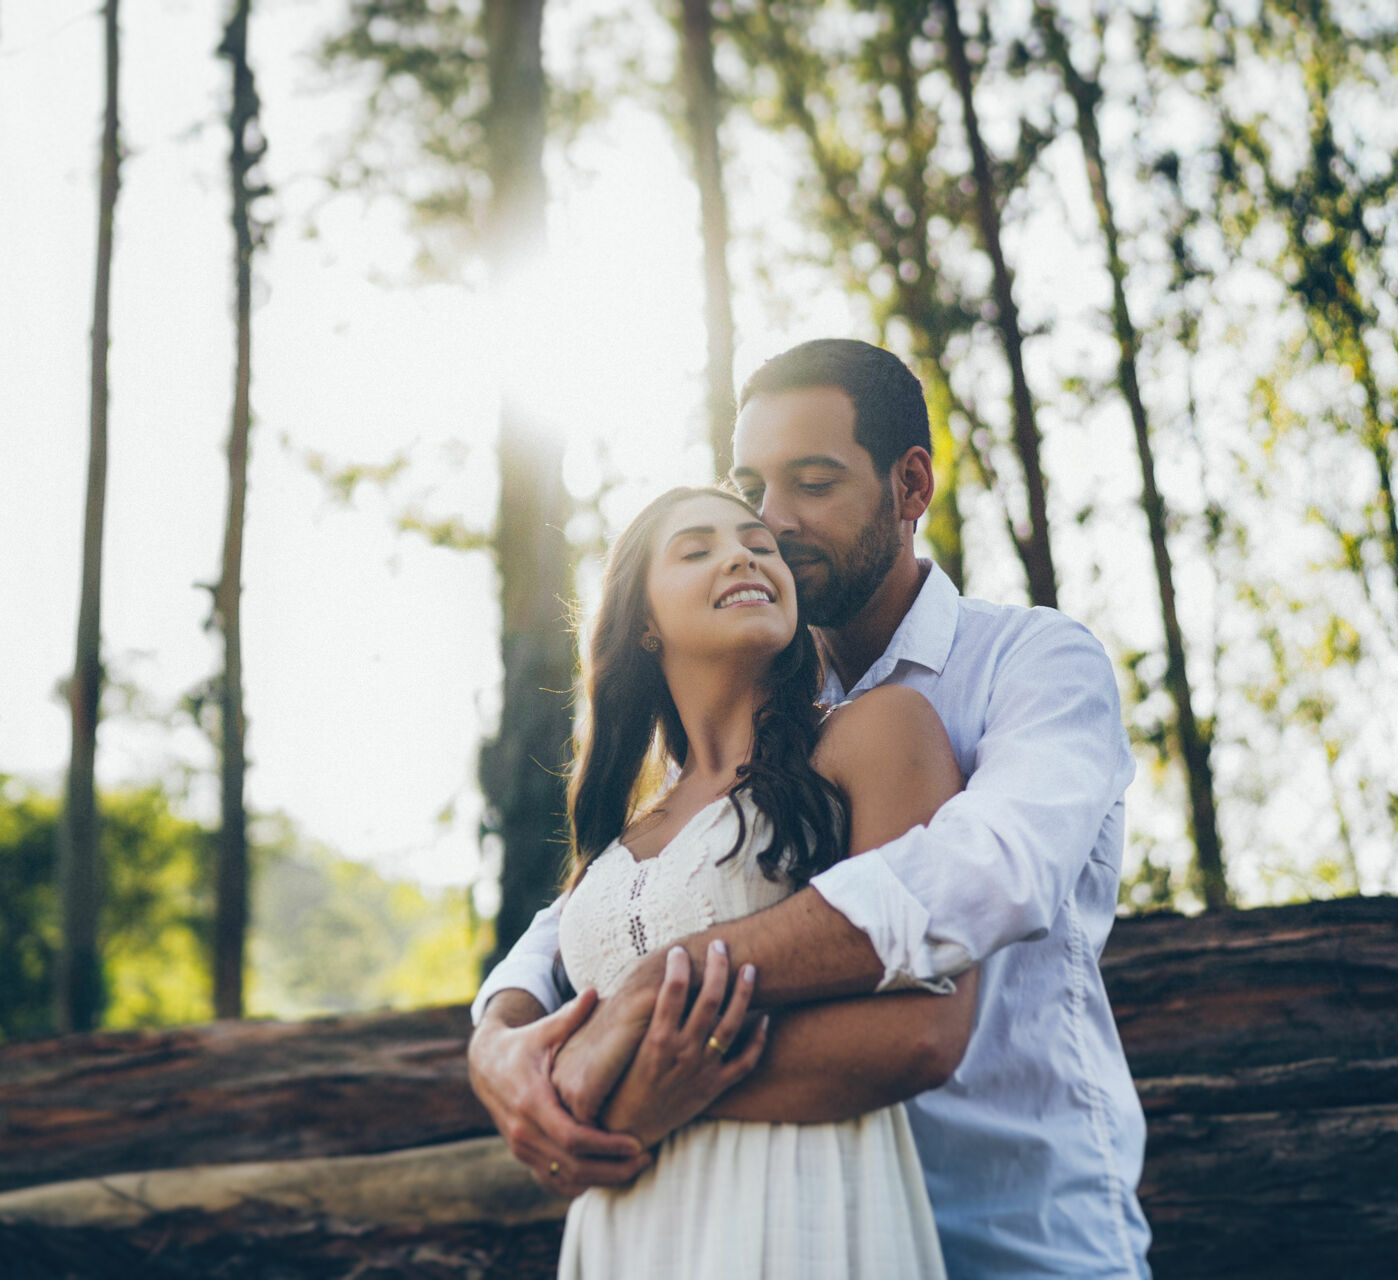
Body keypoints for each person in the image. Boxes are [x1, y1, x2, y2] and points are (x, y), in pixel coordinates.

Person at [470, 339, 1151, 1278]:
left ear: (911, 486)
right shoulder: (763, 715)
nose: (773, 522)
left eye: (813, 484)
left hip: (1013, 1239)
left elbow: (988, 872)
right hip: (730, 1234)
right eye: (752, 486)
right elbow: (605, 907)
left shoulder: (1032, 665)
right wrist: (499, 1041)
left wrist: (642, 1046)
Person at [550, 483, 974, 1277]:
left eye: (758, 542)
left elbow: (921, 1034)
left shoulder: (874, 734)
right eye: (696, 548)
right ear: (642, 622)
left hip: (799, 1216)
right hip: (624, 1236)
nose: (743, 553)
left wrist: (636, 1100)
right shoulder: (620, 833)